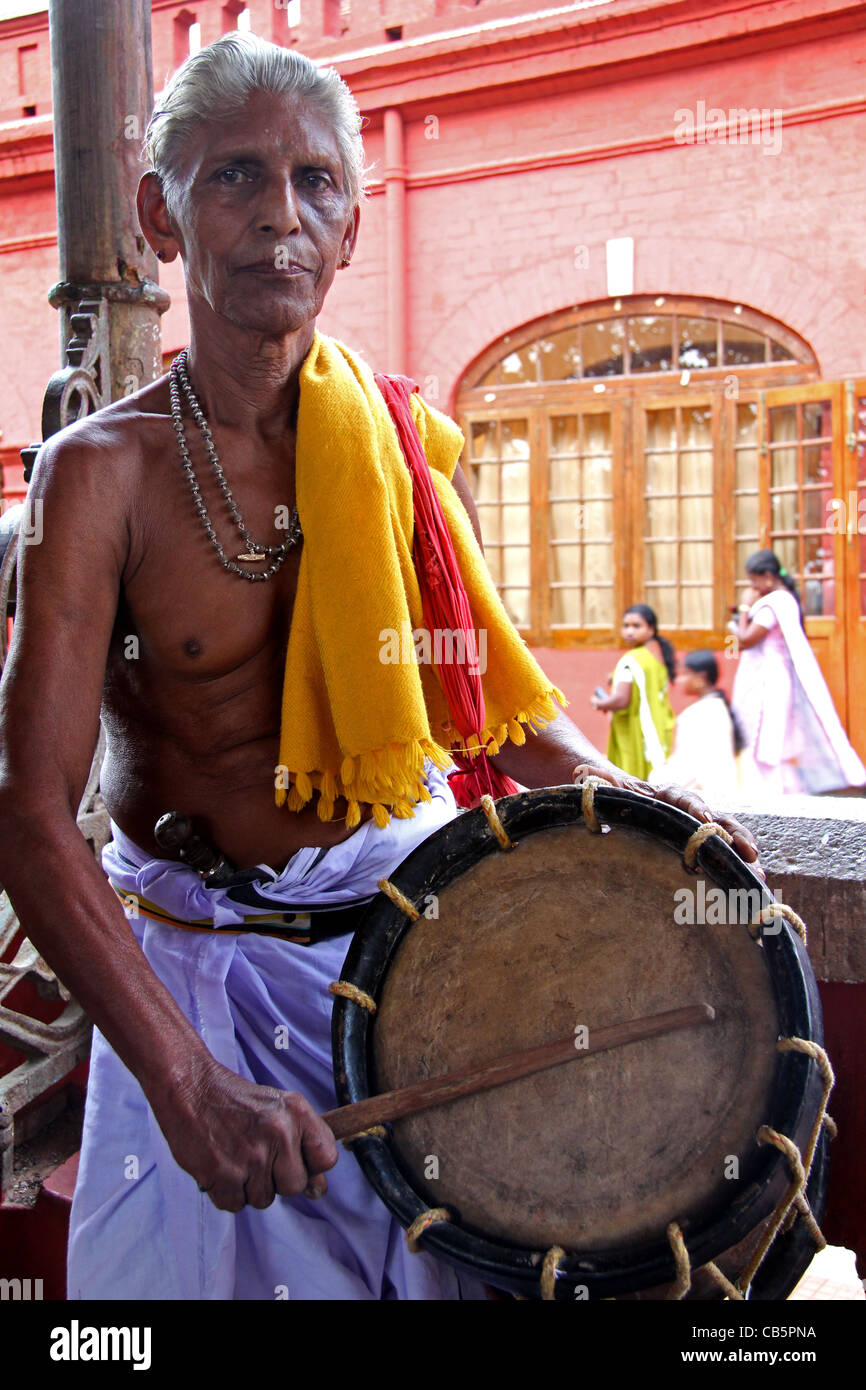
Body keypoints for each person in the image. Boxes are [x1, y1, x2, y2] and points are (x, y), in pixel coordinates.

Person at [0, 33, 759, 1301]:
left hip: (409, 981)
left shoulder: (401, 446)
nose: (278, 218)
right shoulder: (100, 476)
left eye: (314, 184)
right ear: (159, 213)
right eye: (233, 176)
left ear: (352, 226)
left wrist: (638, 806)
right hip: (192, 986)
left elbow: (489, 709)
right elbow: (30, 814)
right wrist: (187, 1085)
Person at [730, 550, 865, 796]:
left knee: (766, 739)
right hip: (769, 676)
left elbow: (745, 640)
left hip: (768, 680)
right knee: (769, 739)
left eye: (754, 581)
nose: (753, 588)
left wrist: (744, 608)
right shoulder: (783, 599)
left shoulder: (776, 602)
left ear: (768, 577)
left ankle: (772, 793)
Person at [591, 604, 675, 780]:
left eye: (636, 626)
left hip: (636, 732)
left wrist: (599, 703)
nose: (629, 631)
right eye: (626, 626)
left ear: (651, 629)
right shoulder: (657, 655)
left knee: (632, 784)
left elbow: (621, 700)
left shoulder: (631, 660)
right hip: (659, 727)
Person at [648, 650, 742, 804]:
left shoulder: (699, 713)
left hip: (705, 798)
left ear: (701, 678)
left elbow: (688, 767)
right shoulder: (716, 707)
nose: (679, 680)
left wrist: (656, 779)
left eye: (684, 674)